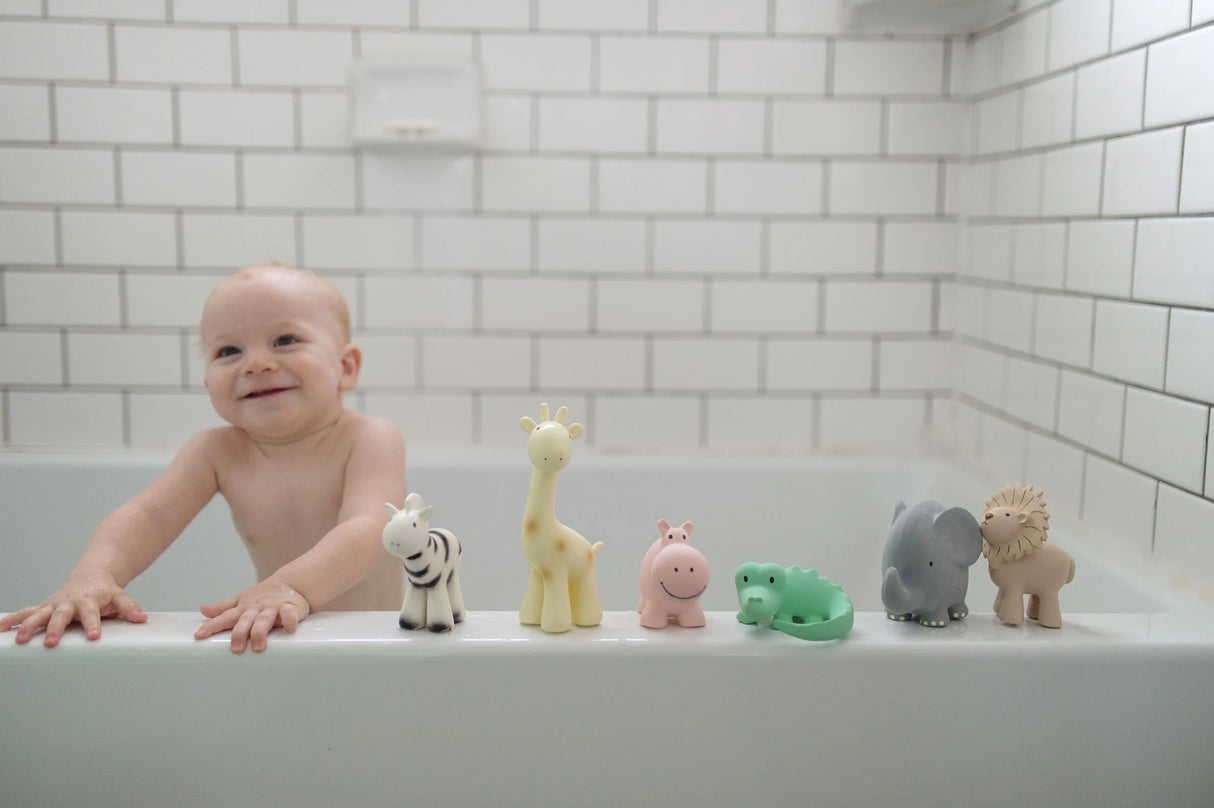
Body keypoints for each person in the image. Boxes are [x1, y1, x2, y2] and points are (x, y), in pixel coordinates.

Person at [0, 264, 406, 653]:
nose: (257, 363)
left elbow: (369, 527)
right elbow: (148, 518)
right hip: (283, 632)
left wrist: (294, 587)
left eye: (285, 340)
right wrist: (94, 576)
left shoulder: (368, 438)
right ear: (207, 380)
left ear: (346, 367)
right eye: (229, 350)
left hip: (375, 640)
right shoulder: (217, 452)